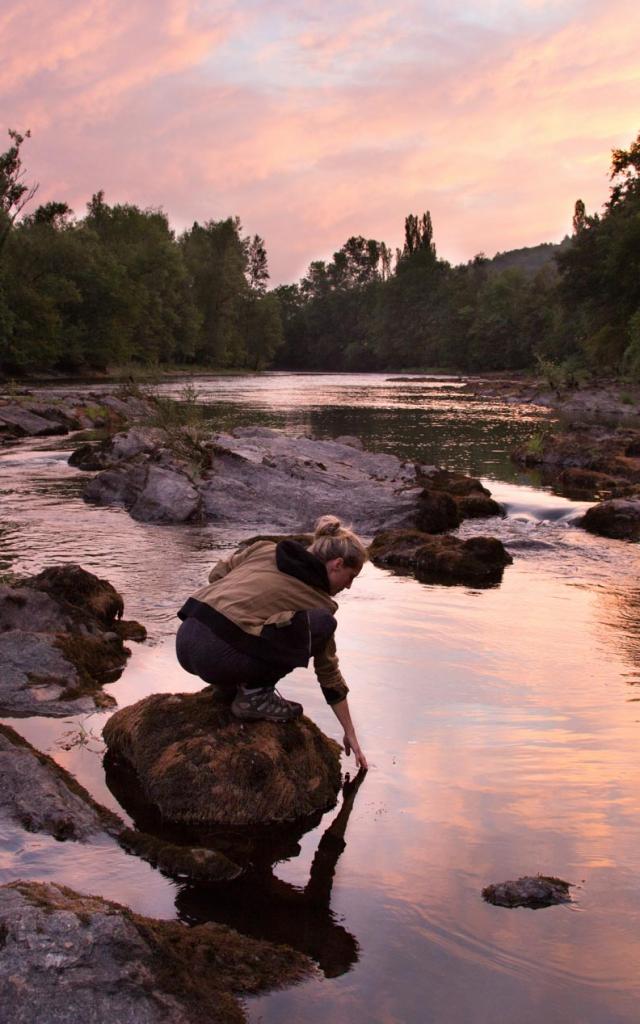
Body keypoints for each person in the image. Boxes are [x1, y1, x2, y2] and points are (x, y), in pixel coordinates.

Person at [175, 515, 368, 769]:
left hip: (186, 636)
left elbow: (217, 574)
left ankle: (231, 686)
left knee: (258, 627)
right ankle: (254, 696)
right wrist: (350, 732)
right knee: (320, 624)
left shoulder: (265, 548)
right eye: (351, 577)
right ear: (337, 564)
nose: (350, 586)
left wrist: (249, 600)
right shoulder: (320, 602)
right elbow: (328, 672)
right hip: (215, 658)